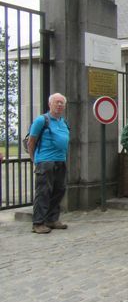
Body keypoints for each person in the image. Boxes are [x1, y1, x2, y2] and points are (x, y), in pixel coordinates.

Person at [28, 93, 70, 234]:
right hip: (45, 161)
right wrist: (35, 159)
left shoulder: (63, 122)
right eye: (56, 102)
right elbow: (31, 141)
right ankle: (38, 223)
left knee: (59, 190)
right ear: (49, 104)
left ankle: (52, 219)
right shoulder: (42, 120)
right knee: (43, 192)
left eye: (61, 103)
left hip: (60, 160)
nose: (59, 105)